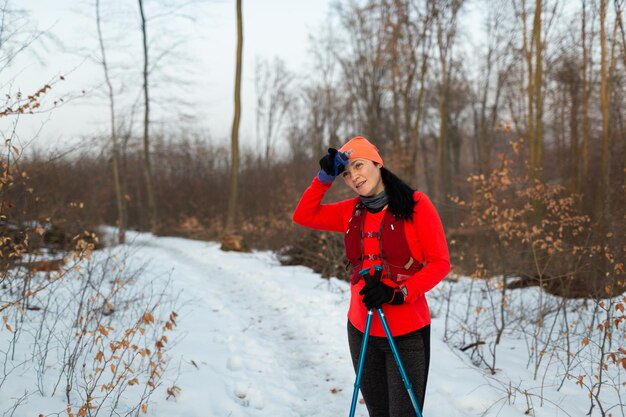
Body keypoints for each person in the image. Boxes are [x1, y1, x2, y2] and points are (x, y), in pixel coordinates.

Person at [292, 136, 450, 417]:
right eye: (346, 173)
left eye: (359, 165)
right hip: (361, 329)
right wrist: (323, 178)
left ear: (377, 163)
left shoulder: (416, 205)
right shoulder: (350, 211)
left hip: (407, 334)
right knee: (378, 413)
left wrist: (397, 293)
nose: (354, 176)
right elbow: (304, 215)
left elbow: (440, 263)